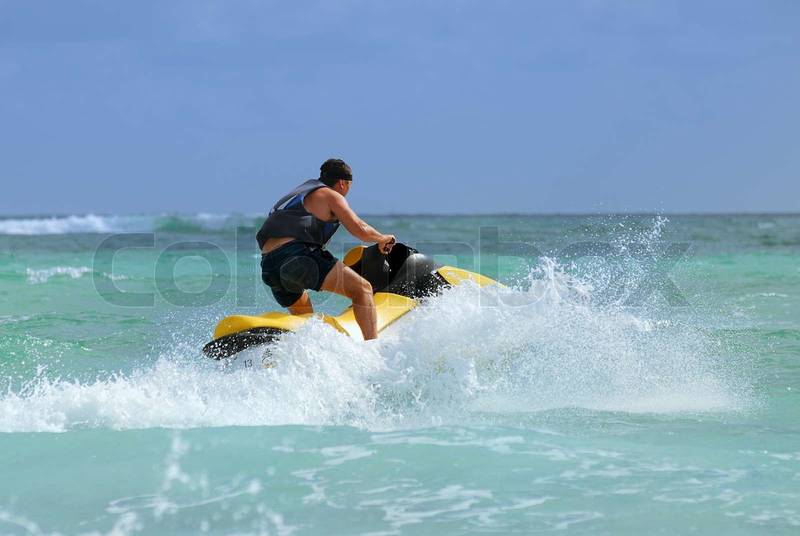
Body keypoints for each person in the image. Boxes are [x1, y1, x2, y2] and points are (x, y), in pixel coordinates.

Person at [256, 158, 395, 340]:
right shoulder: (330, 195)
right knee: (362, 290)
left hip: (269, 266)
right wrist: (382, 238)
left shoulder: (302, 192)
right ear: (343, 183)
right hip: (296, 257)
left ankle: (303, 351)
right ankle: (373, 347)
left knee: (305, 320)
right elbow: (360, 229)